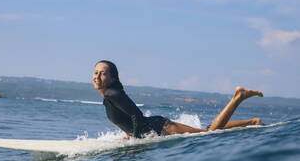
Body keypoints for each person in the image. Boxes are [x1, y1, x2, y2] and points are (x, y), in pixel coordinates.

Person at [92, 60, 263, 139]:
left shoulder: (112, 94)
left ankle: (238, 98)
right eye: (95, 72)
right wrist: (130, 135)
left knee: (208, 134)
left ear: (113, 79)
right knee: (206, 130)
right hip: (157, 127)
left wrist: (135, 140)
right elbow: (129, 119)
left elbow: (136, 115)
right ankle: (252, 122)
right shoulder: (109, 96)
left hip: (162, 129)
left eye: (103, 73)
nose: (97, 76)